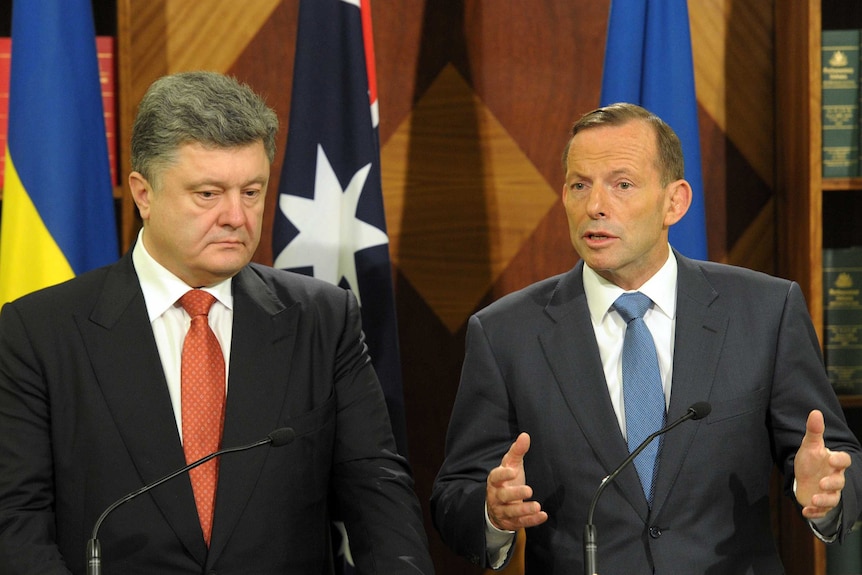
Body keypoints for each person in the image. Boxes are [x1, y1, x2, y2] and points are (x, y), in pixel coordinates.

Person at [0, 71, 434, 575]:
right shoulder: (39, 332)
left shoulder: (323, 320)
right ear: (143, 193)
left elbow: (378, 496)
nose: (236, 216)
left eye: (251, 192)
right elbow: (16, 521)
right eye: (208, 194)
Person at [430, 102, 862, 573]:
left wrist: (827, 491)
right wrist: (491, 513)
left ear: (674, 202)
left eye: (622, 185)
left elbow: (841, 459)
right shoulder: (505, 334)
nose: (595, 205)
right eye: (579, 185)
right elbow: (455, 494)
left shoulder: (765, 312)